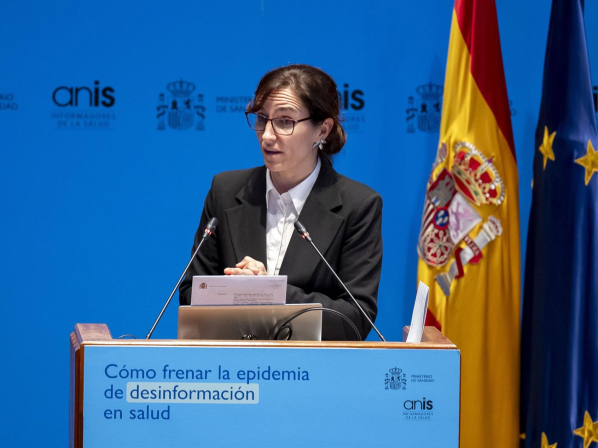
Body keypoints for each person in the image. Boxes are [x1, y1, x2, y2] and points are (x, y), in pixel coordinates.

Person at [179, 64, 382, 341]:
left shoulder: (358, 205)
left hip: (310, 365)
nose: (267, 135)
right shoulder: (225, 191)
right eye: (262, 119)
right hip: (232, 363)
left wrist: (270, 292)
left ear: (322, 130)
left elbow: (355, 320)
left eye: (285, 121)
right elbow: (191, 293)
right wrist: (237, 292)